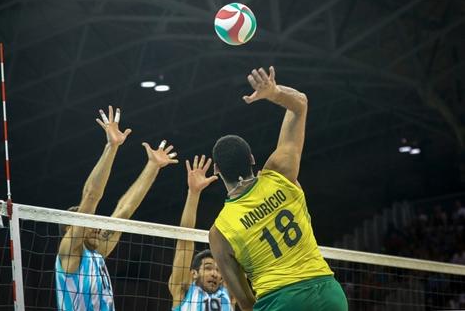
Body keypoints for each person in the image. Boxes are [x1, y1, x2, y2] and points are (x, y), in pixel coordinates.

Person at [208, 67, 348, 311]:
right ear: (252, 158)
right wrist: (274, 93)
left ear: (217, 170)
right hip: (329, 293)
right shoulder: (280, 173)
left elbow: (245, 301)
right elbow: (300, 104)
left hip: (281, 301)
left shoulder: (219, 232)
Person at [56, 105, 178, 311]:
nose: (94, 225)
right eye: (87, 221)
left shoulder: (97, 253)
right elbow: (91, 196)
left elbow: (124, 211)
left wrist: (153, 166)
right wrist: (111, 147)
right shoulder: (70, 253)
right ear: (70, 230)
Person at [169, 155, 233, 311]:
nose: (214, 274)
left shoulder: (229, 295)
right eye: (208, 268)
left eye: (218, 270)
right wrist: (194, 193)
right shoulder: (183, 290)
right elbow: (185, 240)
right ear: (194, 274)